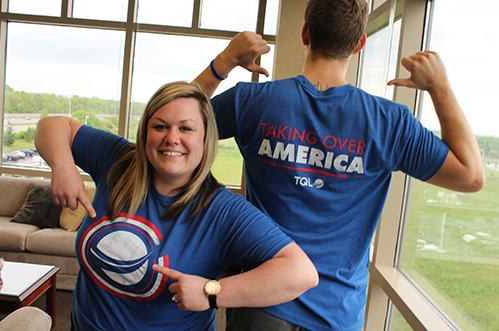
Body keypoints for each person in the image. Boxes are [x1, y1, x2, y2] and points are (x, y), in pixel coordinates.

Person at [192, 0, 486, 330]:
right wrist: (439, 87)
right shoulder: (389, 123)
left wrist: (224, 62)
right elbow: (471, 176)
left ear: (305, 33)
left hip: (262, 304)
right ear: (360, 43)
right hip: (337, 313)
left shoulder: (251, 101)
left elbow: (171, 125)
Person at [34, 81, 319, 331]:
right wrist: (63, 166)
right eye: (160, 126)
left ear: (206, 139)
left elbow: (300, 272)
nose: (172, 138)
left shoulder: (222, 212)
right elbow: (53, 124)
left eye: (186, 128)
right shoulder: (119, 161)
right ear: (146, 132)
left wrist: (213, 293)